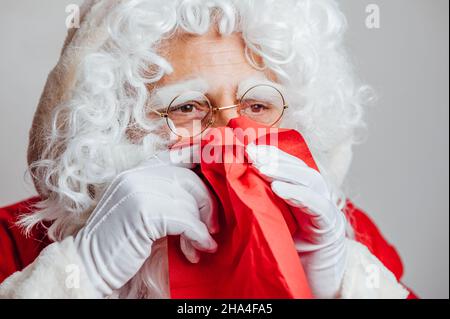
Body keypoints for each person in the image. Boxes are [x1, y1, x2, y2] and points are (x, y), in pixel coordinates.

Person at [0, 0, 415, 299]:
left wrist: (339, 286)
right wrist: (83, 274)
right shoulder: (10, 241)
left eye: (257, 106)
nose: (229, 135)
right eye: (188, 107)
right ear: (116, 127)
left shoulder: (339, 237)